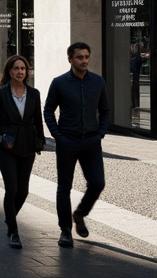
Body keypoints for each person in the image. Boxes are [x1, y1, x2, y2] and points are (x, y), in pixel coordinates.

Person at [44, 41, 110, 248]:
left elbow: (105, 110)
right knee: (64, 187)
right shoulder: (59, 83)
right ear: (70, 59)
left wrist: (100, 133)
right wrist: (57, 135)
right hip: (67, 141)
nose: (84, 61)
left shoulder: (98, 82)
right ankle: (65, 231)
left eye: (86, 57)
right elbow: (48, 110)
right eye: (80, 57)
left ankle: (80, 213)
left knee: (98, 183)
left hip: (91, 140)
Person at [0, 55, 45, 249]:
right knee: (11, 189)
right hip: (7, 147)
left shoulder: (34, 93)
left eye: (23, 68)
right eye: (16, 68)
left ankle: (9, 218)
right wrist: (0, 138)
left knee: (23, 191)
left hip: (27, 146)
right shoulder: (1, 93)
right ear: (9, 71)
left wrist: (40, 141)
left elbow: (37, 119)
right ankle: (13, 231)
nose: (20, 72)